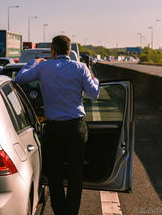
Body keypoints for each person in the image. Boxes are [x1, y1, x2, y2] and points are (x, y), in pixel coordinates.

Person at [15, 35, 100, 215]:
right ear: (69, 51)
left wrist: (34, 62)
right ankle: (71, 212)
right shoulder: (80, 68)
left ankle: (60, 212)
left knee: (54, 173)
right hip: (76, 127)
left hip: (54, 128)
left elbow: (19, 79)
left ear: (53, 50)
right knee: (76, 174)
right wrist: (95, 79)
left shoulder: (44, 67)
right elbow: (94, 94)